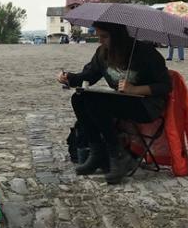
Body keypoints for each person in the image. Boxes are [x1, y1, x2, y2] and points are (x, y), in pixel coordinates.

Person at [58, 22, 172, 184]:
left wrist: (135, 89)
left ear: (118, 36)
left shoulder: (146, 53)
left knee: (96, 102)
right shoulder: (102, 53)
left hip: (147, 105)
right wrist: (68, 77)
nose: (100, 41)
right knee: (79, 98)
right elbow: (89, 76)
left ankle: (118, 155)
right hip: (123, 101)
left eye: (104, 36)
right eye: (99, 36)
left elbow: (165, 86)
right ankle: (97, 151)